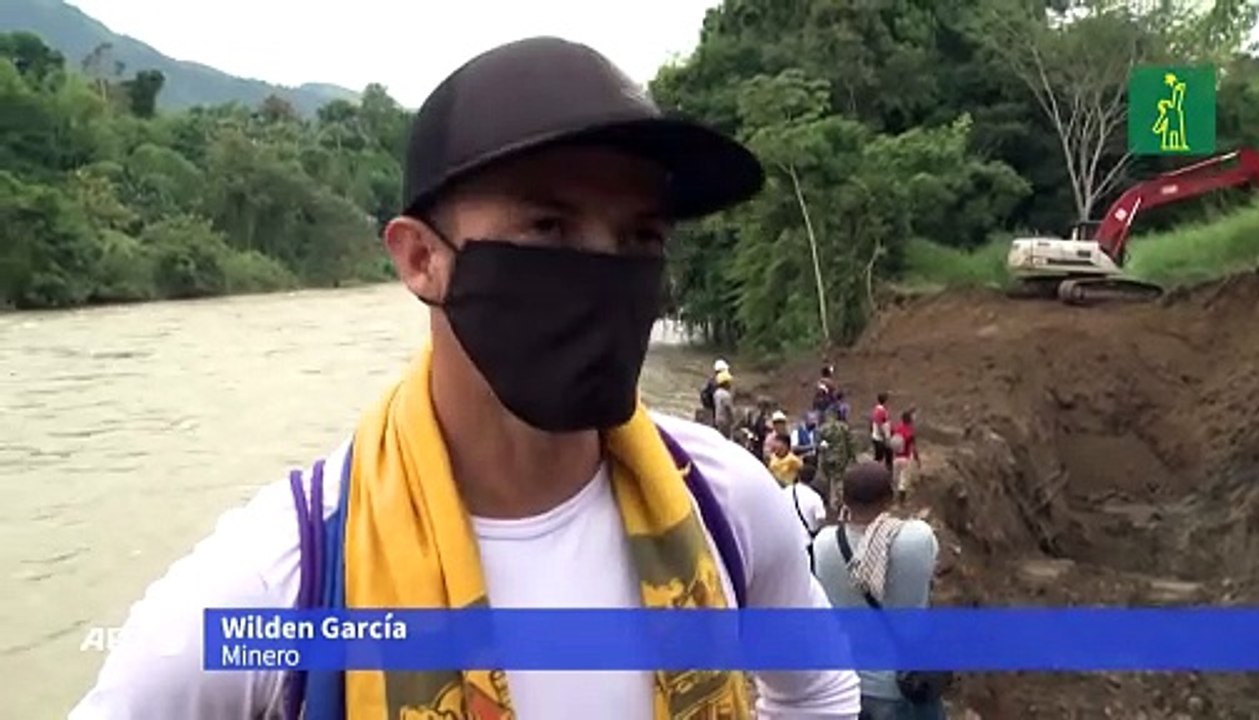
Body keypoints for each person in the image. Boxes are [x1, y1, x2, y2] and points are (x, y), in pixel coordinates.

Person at [69, 37, 860, 720]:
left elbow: (817, 686)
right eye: (548, 227)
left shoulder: (724, 504)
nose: (605, 273)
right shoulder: (283, 584)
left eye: (640, 238)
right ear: (420, 259)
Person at [812, 463, 946, 720]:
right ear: (891, 498)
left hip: (849, 688)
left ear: (843, 499)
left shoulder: (824, 544)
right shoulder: (918, 538)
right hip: (905, 687)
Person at [789, 463, 827, 572]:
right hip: (807, 541)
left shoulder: (786, 491)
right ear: (813, 478)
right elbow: (821, 518)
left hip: (789, 540)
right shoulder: (814, 497)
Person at [817, 406, 856, 513]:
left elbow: (820, 445)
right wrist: (853, 456)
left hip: (827, 457)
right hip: (841, 457)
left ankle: (831, 503)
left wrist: (821, 458)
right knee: (839, 479)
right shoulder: (843, 427)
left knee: (829, 480)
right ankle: (840, 502)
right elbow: (850, 443)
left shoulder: (822, 428)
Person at [890, 409, 920, 493]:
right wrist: (917, 459)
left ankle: (893, 499)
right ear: (910, 420)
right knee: (903, 482)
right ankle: (901, 502)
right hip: (905, 458)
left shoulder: (897, 429)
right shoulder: (910, 432)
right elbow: (914, 448)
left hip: (895, 458)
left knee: (895, 480)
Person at [870, 392, 893, 472]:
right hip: (881, 438)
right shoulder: (881, 411)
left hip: (878, 437)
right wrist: (884, 436)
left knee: (882, 456)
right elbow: (879, 423)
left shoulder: (877, 409)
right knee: (883, 457)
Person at [711, 370, 735, 439]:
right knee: (726, 438)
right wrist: (733, 419)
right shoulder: (726, 395)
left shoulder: (716, 393)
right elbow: (728, 408)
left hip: (718, 418)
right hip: (725, 421)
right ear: (726, 383)